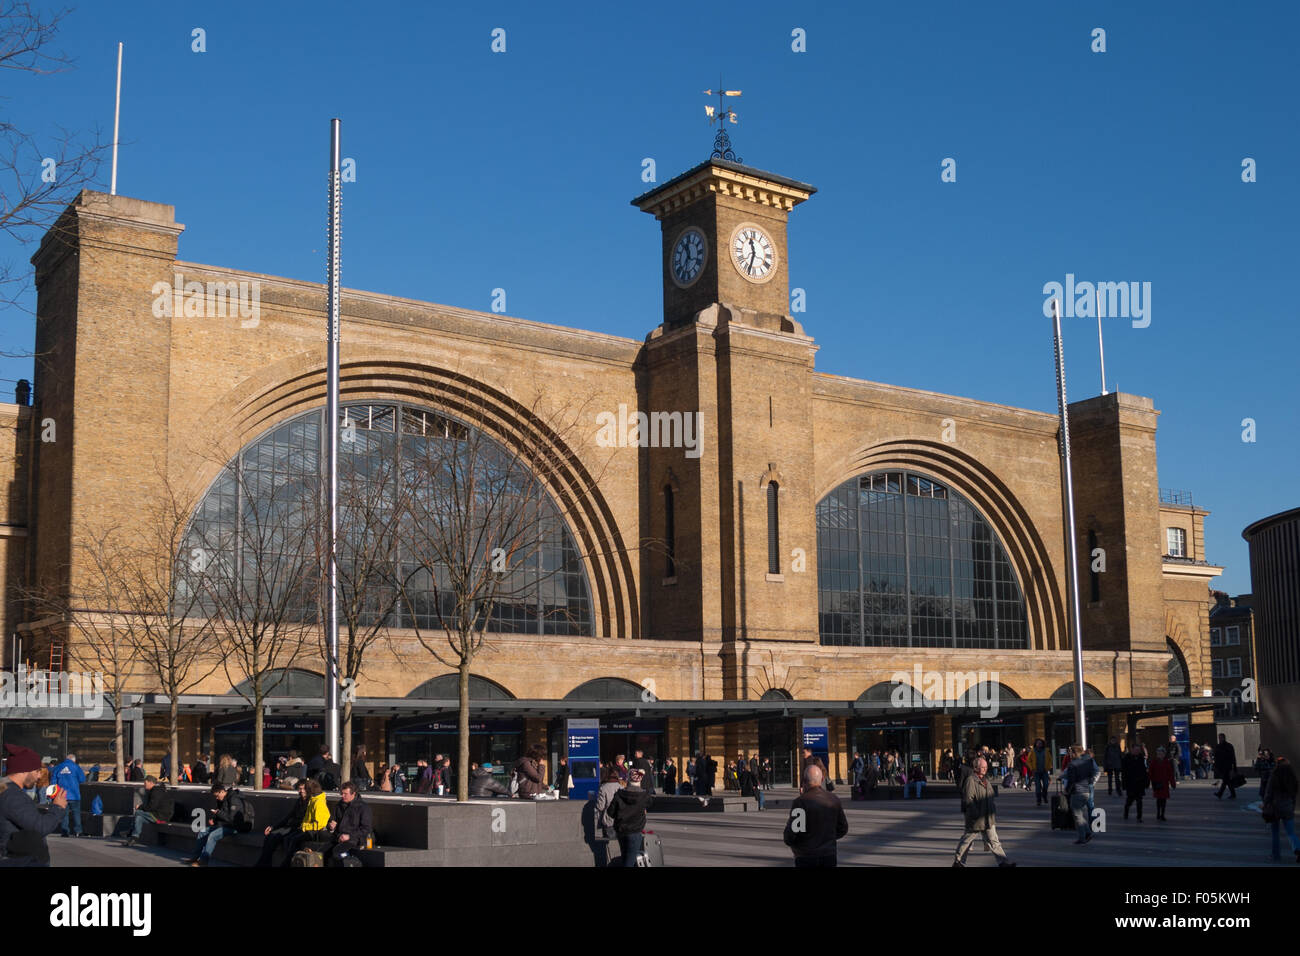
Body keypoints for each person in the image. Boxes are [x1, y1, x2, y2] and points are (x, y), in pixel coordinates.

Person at [0, 744, 67, 866]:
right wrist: (58, 807)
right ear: (24, 770)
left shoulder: (6, 791)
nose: (39, 776)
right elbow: (40, 827)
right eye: (37, 771)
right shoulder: (12, 796)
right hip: (18, 861)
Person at [952, 756, 1015, 867]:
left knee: (994, 841)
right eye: (982, 767)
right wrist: (975, 814)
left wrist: (992, 810)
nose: (985, 769)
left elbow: (990, 797)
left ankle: (1003, 862)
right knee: (967, 840)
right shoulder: (971, 780)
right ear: (976, 768)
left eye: (986, 767)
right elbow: (968, 799)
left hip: (988, 818)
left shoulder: (986, 781)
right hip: (976, 818)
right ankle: (958, 862)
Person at [782, 764, 848, 867]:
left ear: (804, 781)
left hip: (806, 856)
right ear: (822, 779)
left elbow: (791, 835)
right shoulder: (834, 799)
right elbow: (843, 828)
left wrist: (798, 847)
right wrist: (828, 838)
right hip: (828, 855)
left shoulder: (801, 802)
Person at [182, 781, 251, 867]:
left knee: (212, 835)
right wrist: (214, 820)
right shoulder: (222, 799)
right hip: (226, 825)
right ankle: (195, 857)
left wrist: (218, 813)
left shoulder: (234, 799)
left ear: (222, 791)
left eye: (217, 796)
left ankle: (204, 861)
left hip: (237, 827)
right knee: (203, 832)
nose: (216, 798)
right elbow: (222, 814)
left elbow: (232, 819)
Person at [255, 779, 308, 866]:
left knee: (276, 837)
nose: (301, 791)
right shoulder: (299, 801)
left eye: (303, 789)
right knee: (270, 836)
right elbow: (288, 817)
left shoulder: (310, 801)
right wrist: (273, 827)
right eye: (300, 789)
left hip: (299, 828)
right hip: (290, 826)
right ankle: (265, 864)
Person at [608, 767, 653, 865]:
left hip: (621, 830)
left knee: (625, 857)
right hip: (635, 831)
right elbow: (649, 804)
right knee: (629, 861)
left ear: (628, 779)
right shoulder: (644, 795)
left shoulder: (619, 794)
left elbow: (610, 812)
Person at [1261, 755, 1300, 863]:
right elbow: (1294, 794)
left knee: (1275, 833)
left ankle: (1276, 854)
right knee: (1291, 832)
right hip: (1287, 806)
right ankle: (1298, 848)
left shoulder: (1274, 775)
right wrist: (1292, 805)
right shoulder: (1292, 777)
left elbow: (1268, 793)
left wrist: (1265, 804)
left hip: (1275, 807)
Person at [326, 781, 372, 864]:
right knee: (322, 852)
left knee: (337, 853)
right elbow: (331, 822)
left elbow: (366, 829)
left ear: (353, 794)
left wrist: (349, 836)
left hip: (356, 840)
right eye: (342, 793)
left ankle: (351, 862)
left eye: (345, 794)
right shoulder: (339, 806)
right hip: (339, 838)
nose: (342, 796)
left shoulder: (363, 807)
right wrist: (330, 826)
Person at [1063, 745, 1102, 844]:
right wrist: (1091, 782)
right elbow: (1094, 772)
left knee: (1077, 815)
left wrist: (1066, 790)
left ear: (1075, 753)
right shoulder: (1088, 762)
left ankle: (1082, 837)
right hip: (1087, 790)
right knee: (1079, 814)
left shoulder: (1072, 764)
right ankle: (1088, 832)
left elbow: (1071, 780)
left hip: (1077, 791)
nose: (1069, 754)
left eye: (1071, 752)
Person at [123, 775, 175, 847]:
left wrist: (140, 807)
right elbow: (151, 806)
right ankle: (134, 837)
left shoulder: (156, 791)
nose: (144, 784)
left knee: (138, 812)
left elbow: (152, 807)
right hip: (157, 814)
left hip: (160, 816)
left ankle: (130, 831)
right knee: (139, 818)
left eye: (145, 782)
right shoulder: (155, 790)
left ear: (150, 783)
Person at [49, 753, 86, 838]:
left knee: (64, 815)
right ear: (74, 760)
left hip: (62, 795)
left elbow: (53, 781)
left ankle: (65, 831)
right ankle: (78, 831)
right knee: (76, 814)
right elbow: (82, 779)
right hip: (74, 795)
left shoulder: (58, 767)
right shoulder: (76, 767)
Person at [1121, 744, 1149, 822]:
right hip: (1131, 783)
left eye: (1138, 750)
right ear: (1132, 750)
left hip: (1140, 783)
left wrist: (1146, 782)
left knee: (1139, 801)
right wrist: (1124, 785)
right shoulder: (1126, 758)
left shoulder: (1141, 757)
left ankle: (1139, 817)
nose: (1137, 751)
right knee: (1130, 800)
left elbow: (1144, 770)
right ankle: (1126, 812)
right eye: (1136, 750)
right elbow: (1124, 773)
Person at [594, 765, 623, 841]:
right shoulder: (621, 787)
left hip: (608, 819)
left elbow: (600, 806)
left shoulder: (603, 788)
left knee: (609, 843)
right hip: (620, 819)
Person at [1148, 746, 1176, 822]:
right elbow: (1150, 772)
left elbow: (1170, 774)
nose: (1160, 755)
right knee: (1158, 799)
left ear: (1164, 754)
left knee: (1163, 799)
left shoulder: (1167, 762)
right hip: (1156, 783)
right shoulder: (1154, 761)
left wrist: (1173, 783)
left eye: (1161, 753)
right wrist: (1148, 781)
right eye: (1158, 753)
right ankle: (1158, 813)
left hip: (1164, 783)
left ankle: (1162, 814)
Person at [1213, 733, 1238, 799]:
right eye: (1219, 738)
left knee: (1225, 780)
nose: (1220, 739)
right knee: (1227, 780)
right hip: (1221, 766)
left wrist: (1234, 766)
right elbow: (1216, 757)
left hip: (1227, 766)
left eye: (1220, 738)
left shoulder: (1229, 746)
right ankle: (1232, 794)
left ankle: (1220, 794)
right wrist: (1215, 765)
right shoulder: (1218, 746)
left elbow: (1233, 757)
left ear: (1224, 738)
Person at [1032, 738, 1051, 806]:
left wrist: (1048, 768)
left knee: (1046, 785)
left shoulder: (1046, 751)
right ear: (1035, 744)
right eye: (1038, 743)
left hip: (1044, 771)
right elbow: (1028, 761)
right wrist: (1032, 768)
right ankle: (1039, 800)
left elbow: (1050, 760)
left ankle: (1044, 795)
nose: (1039, 744)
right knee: (1038, 786)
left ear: (1043, 744)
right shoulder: (1033, 751)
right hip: (1036, 772)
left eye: (1040, 743)